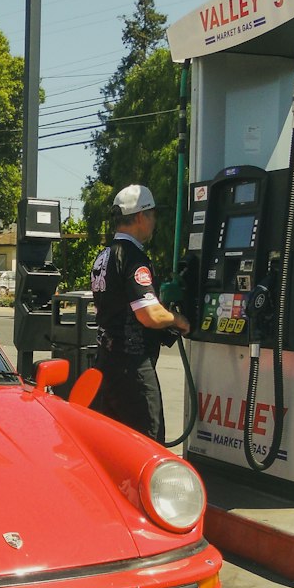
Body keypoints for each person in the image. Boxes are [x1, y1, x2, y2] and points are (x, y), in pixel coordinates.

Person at [89, 184, 190, 443]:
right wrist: (179, 320)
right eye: (153, 215)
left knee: (112, 443)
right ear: (141, 217)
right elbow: (149, 315)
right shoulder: (133, 258)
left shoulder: (104, 255)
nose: (154, 222)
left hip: (105, 363)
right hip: (132, 366)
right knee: (148, 443)